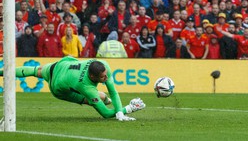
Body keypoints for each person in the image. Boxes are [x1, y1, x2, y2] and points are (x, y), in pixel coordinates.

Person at [0, 57, 145, 121]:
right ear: (93, 77)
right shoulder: (86, 87)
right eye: (103, 77)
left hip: (62, 64)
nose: (106, 78)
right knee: (100, 99)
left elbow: (113, 90)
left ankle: (1, 71)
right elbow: (106, 114)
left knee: (34, 70)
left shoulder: (103, 66)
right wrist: (127, 109)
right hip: (58, 87)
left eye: (106, 75)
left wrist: (118, 111)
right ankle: (103, 99)